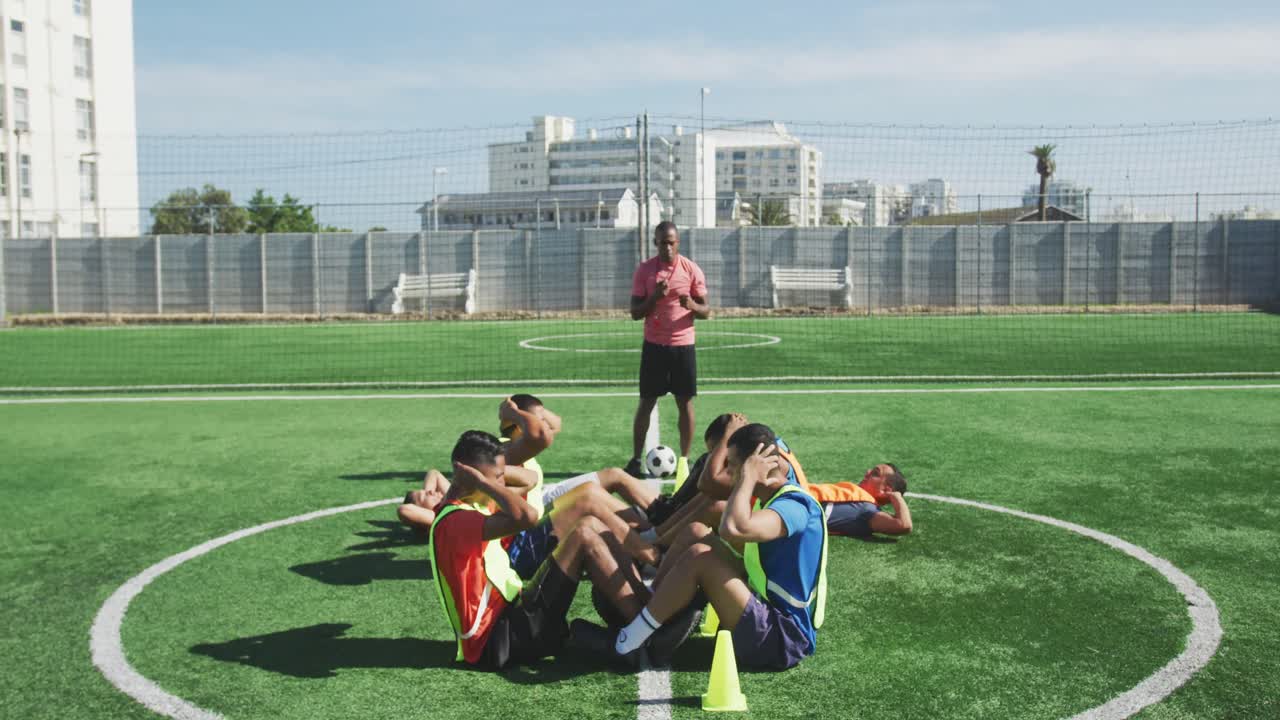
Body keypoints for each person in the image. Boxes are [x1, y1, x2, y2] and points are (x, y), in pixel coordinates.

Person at [574, 423, 827, 671]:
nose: (728, 472)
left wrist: (747, 479)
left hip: (782, 638)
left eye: (733, 465)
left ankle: (626, 646)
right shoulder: (771, 497)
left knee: (700, 558)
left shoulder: (795, 507)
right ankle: (649, 611)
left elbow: (733, 528)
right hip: (766, 608)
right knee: (695, 532)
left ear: (754, 466)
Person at [428, 431, 652, 670]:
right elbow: (529, 517)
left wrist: (489, 476)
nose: (502, 484)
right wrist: (484, 482)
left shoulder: (472, 503)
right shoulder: (455, 523)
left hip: (512, 616)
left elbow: (530, 479)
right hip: (496, 641)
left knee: (591, 524)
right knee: (583, 535)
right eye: (497, 478)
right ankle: (646, 634)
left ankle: (647, 610)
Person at [625, 221, 710, 484]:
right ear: (656, 243)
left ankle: (684, 461)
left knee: (685, 403)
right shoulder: (645, 271)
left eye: (671, 242)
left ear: (678, 243)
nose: (668, 247)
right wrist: (654, 297)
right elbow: (635, 313)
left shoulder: (691, 269)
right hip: (654, 346)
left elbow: (706, 311)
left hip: (683, 346)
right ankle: (636, 459)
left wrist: (692, 304)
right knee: (646, 402)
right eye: (663, 242)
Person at [805, 463, 914, 538]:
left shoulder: (867, 510)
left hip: (799, 508)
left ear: (885, 490)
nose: (867, 472)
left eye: (875, 473)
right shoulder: (860, 501)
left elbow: (904, 525)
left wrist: (896, 496)